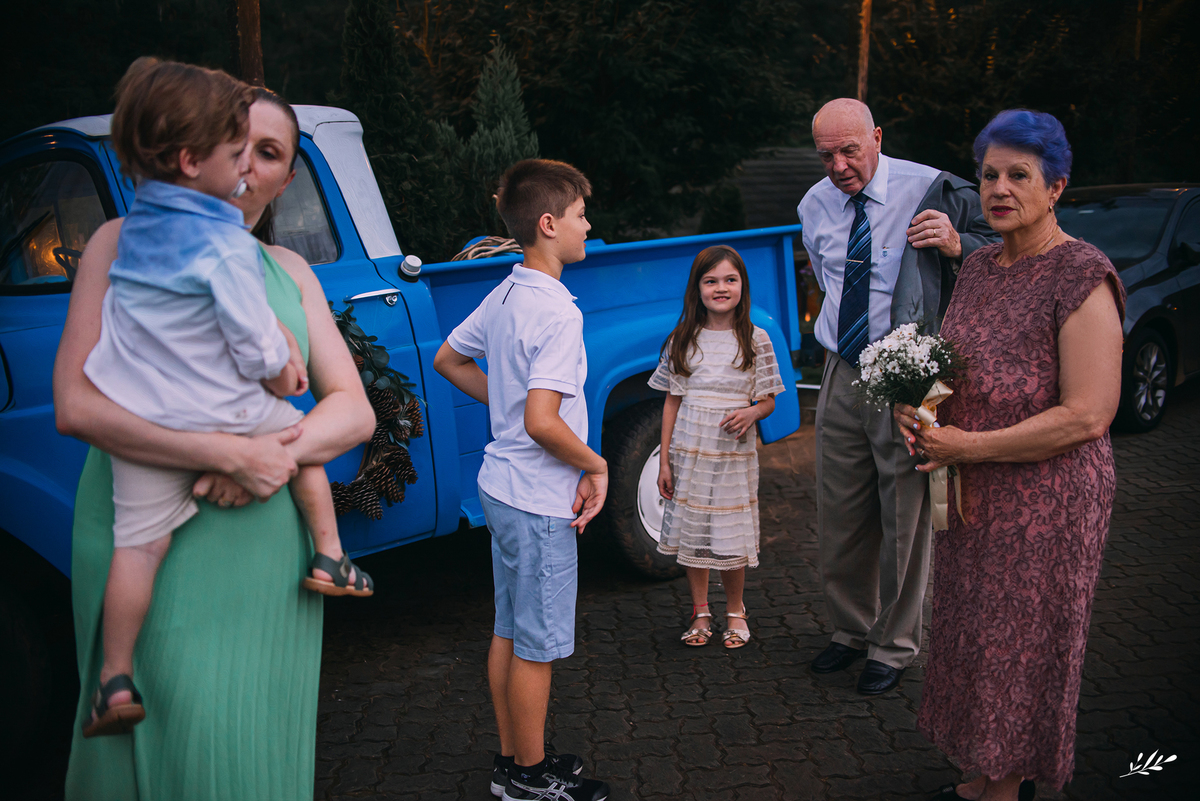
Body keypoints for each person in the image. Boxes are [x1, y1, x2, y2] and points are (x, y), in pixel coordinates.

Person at [56, 83, 375, 797]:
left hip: (267, 553)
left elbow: (353, 412)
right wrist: (228, 453)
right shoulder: (119, 241)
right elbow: (75, 405)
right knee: (167, 726)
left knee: (249, 739)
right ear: (192, 153)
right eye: (236, 145)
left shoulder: (288, 271)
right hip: (143, 532)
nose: (245, 166)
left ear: (286, 178)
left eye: (268, 153)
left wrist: (274, 456)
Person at [894, 109, 1124, 801]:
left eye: (1018, 175)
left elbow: (1089, 413)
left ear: (1055, 186)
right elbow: (960, 369)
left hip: (1047, 503)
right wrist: (923, 407)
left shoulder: (1080, 273)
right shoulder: (979, 268)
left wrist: (970, 444)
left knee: (1021, 649)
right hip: (974, 498)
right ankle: (983, 775)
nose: (999, 187)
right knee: (976, 643)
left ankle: (1007, 787)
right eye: (990, 174)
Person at [796, 98, 998, 695]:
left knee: (905, 515)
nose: (837, 166)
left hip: (907, 373)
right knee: (840, 512)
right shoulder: (813, 205)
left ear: (877, 137)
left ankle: (894, 644)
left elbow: (1007, 247)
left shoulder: (931, 188)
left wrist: (960, 242)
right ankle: (849, 631)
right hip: (840, 368)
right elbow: (828, 281)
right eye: (825, 154)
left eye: (849, 150)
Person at [434, 159, 609, 801]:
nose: (587, 224)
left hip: (500, 488)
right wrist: (596, 462)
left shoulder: (506, 293)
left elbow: (447, 358)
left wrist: (502, 406)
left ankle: (515, 761)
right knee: (535, 644)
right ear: (548, 223)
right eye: (580, 214)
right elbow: (541, 421)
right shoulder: (558, 312)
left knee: (509, 628)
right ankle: (529, 782)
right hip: (535, 499)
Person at [650, 245, 784, 649]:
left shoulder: (756, 339)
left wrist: (751, 414)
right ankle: (700, 611)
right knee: (694, 534)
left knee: (728, 535)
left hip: (731, 455)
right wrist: (664, 460)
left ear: (743, 285)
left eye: (730, 280)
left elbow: (770, 400)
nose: (721, 288)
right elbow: (672, 399)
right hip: (689, 452)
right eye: (711, 281)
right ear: (698, 288)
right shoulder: (682, 338)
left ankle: (736, 611)